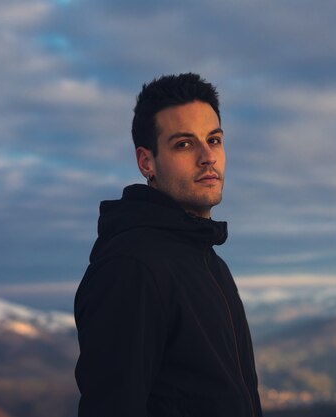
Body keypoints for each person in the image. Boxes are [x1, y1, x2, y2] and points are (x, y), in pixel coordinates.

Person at [74, 73, 262, 417]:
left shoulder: (207, 260)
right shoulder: (132, 268)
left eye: (215, 140)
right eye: (184, 144)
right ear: (147, 162)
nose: (208, 157)